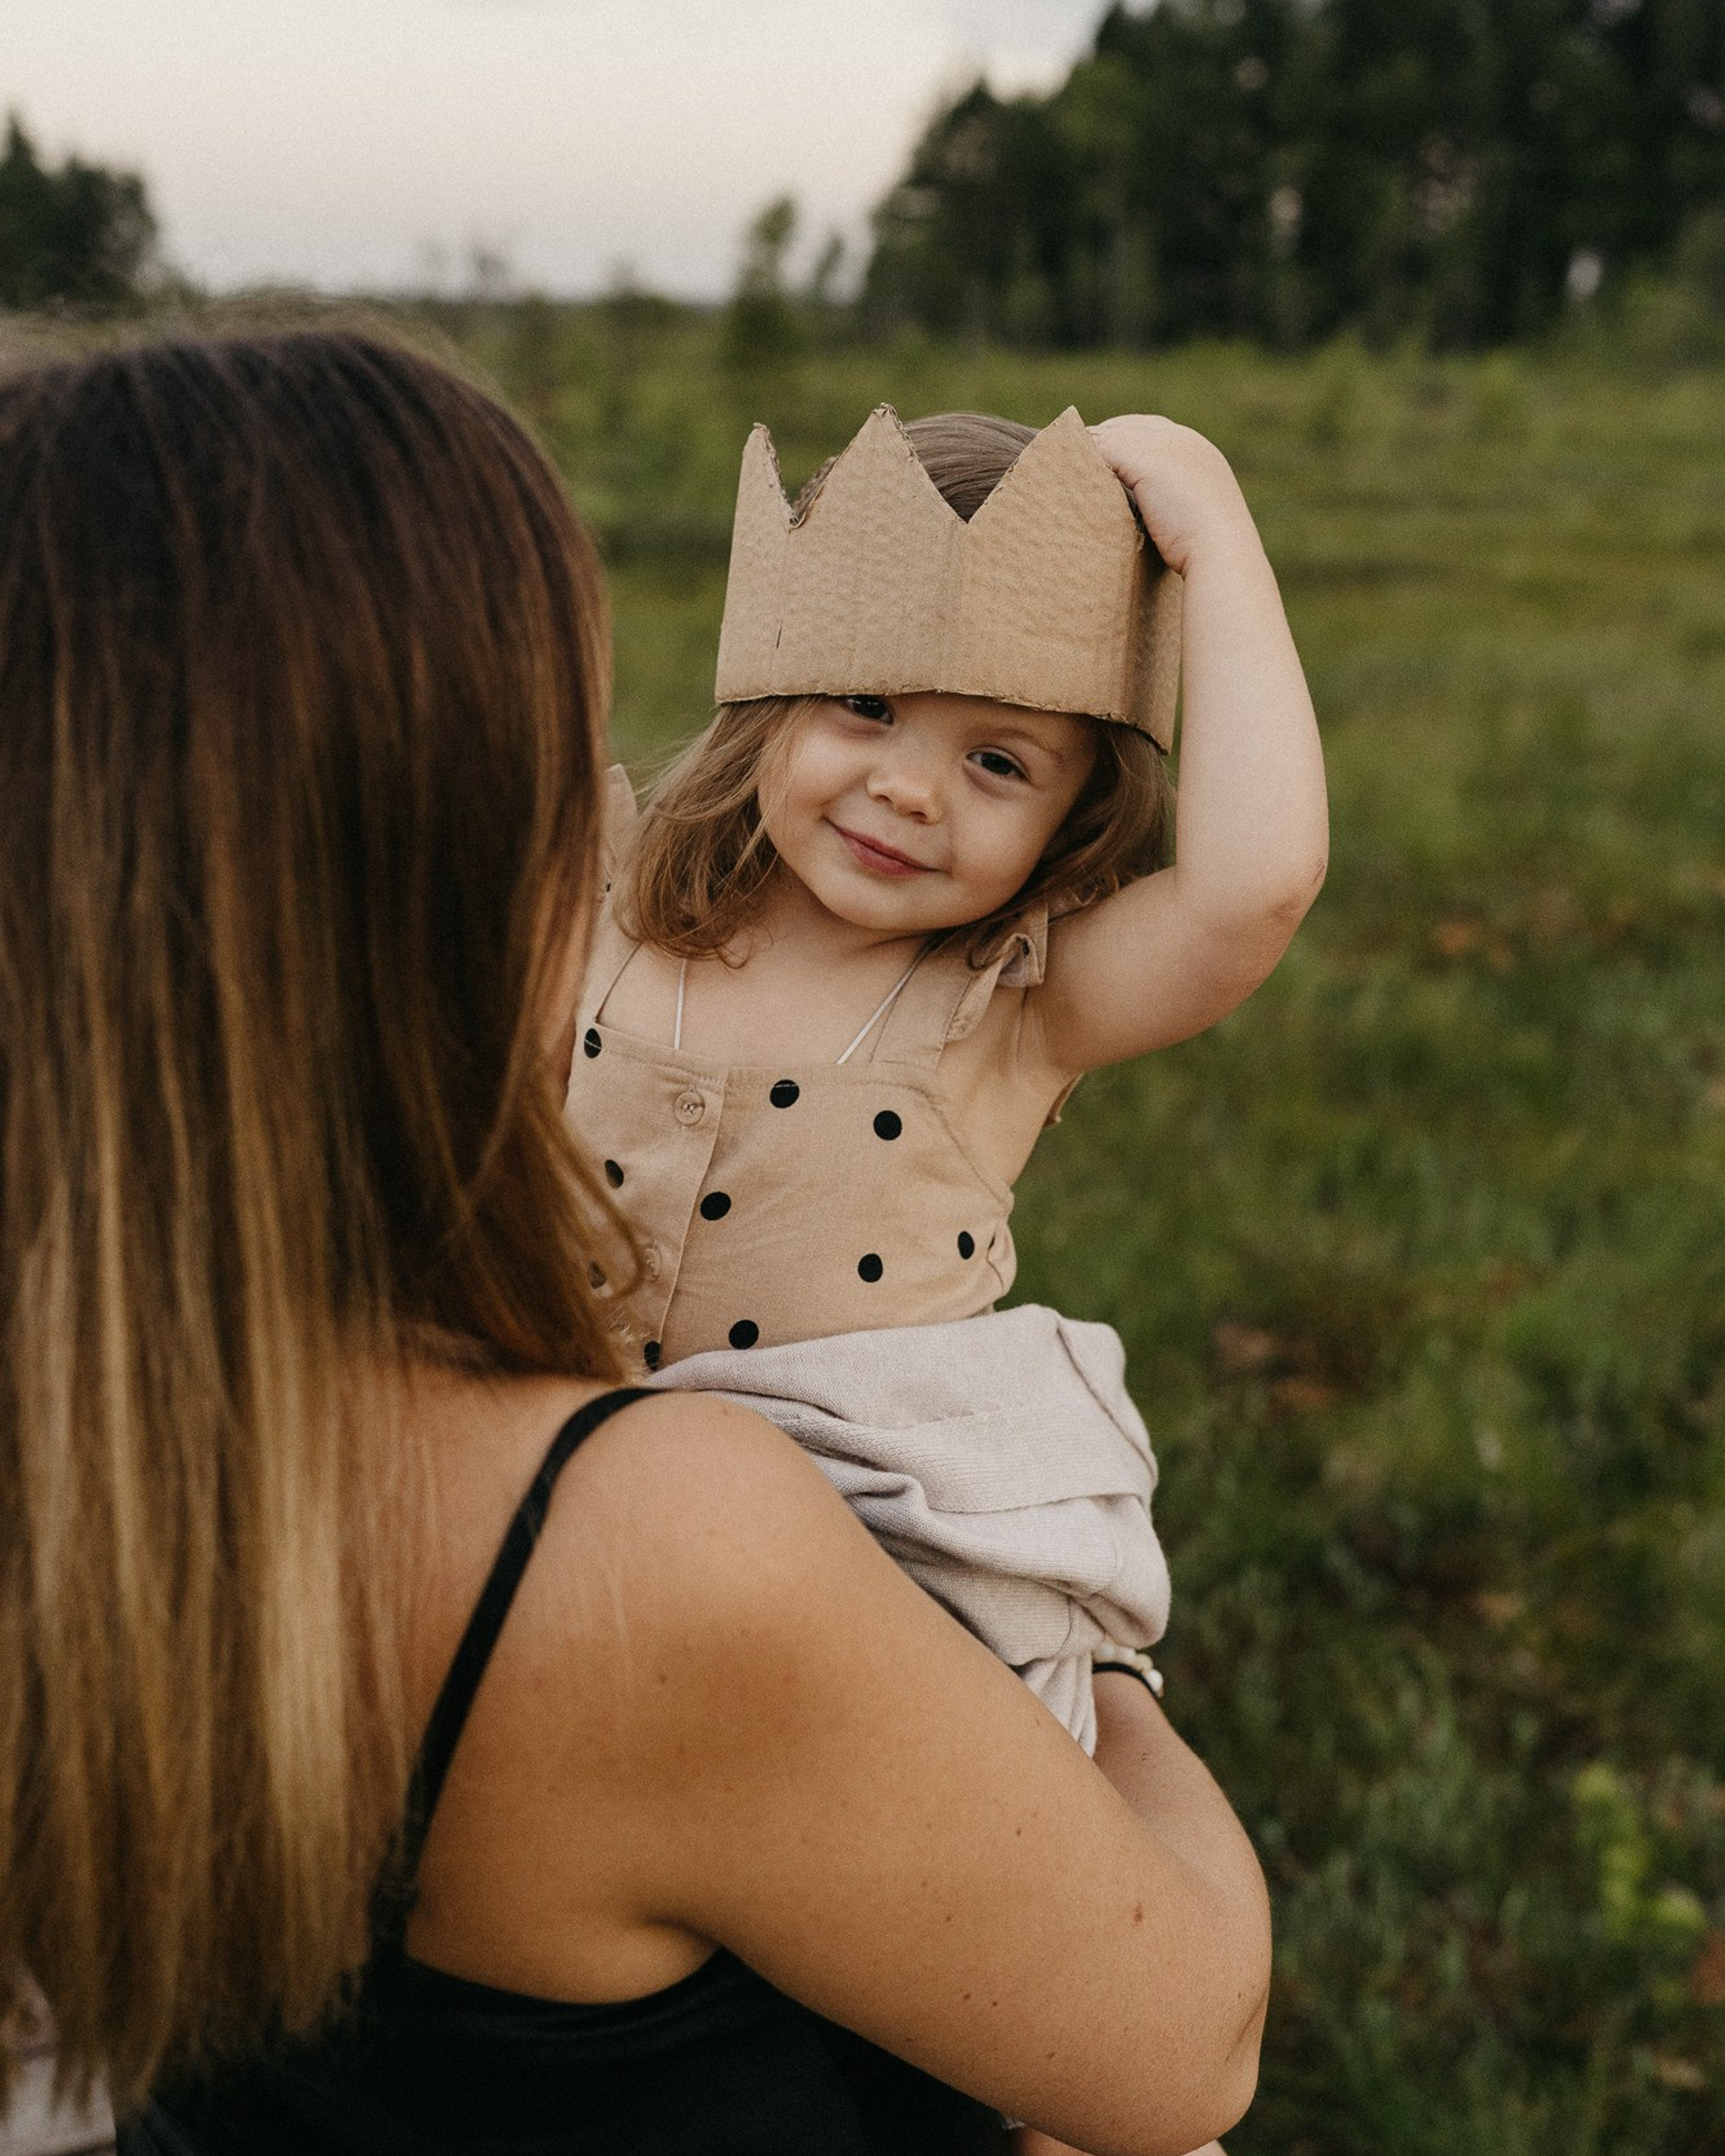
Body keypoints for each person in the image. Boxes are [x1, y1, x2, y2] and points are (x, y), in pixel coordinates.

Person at [0, 330, 1270, 2156]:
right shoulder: (645, 1550)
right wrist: (1110, 1698)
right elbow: (1185, 2038)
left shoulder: (105, 1413)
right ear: (421, 877)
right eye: (547, 769)